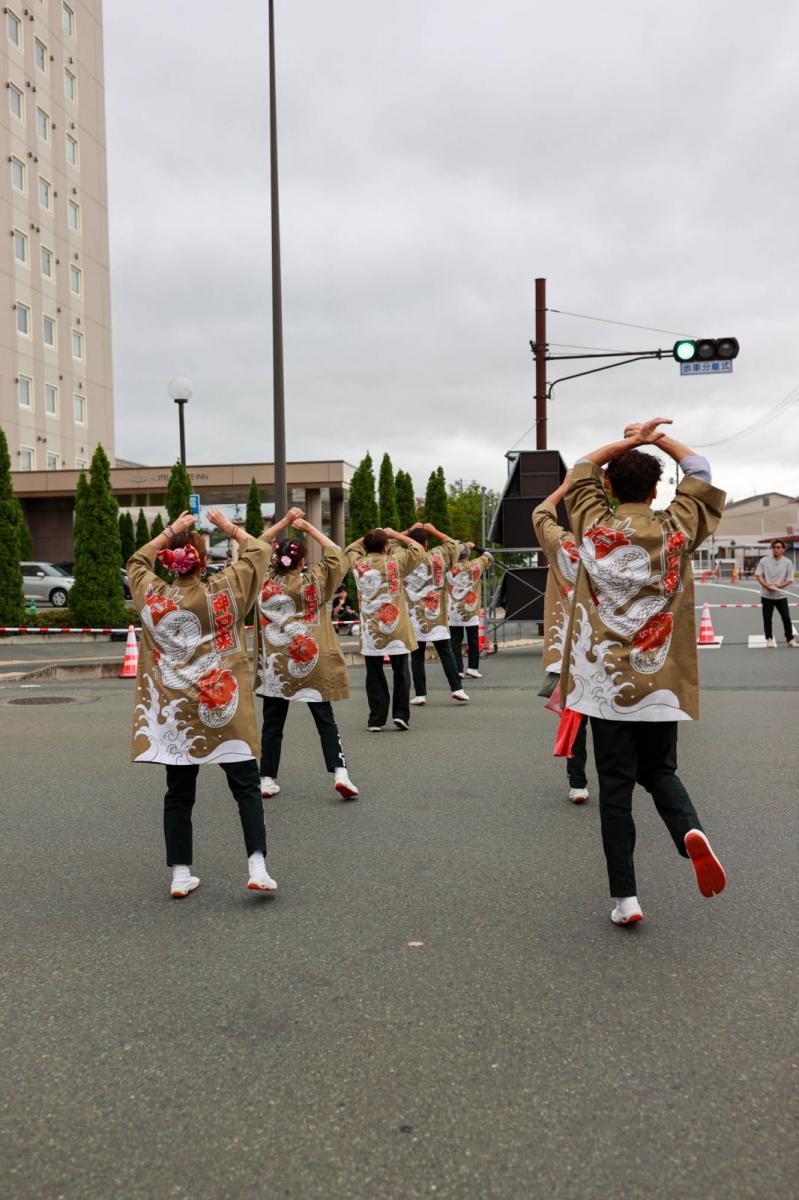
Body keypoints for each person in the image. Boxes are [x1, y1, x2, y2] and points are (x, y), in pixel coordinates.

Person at [561, 418, 728, 926]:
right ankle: (688, 831)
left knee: (615, 789)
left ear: (609, 488)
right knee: (660, 772)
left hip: (607, 685)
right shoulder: (675, 527)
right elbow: (699, 468)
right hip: (660, 683)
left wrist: (629, 442)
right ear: (658, 489)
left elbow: (582, 468)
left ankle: (626, 899)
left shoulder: (593, 524)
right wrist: (659, 441)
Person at [128, 507, 282, 899]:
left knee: (179, 793)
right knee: (246, 787)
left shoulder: (156, 595)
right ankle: (257, 867)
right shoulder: (224, 590)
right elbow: (259, 552)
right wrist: (228, 528)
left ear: (170, 562)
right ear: (201, 559)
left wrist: (170, 530)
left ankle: (181, 874)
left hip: (176, 711)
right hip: (223, 705)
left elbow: (136, 560)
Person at [256, 514, 359, 801]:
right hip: (311, 661)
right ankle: (340, 773)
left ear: (275, 560)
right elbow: (337, 554)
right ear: (302, 562)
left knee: (273, 724)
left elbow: (253, 546)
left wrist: (283, 522)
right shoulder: (314, 582)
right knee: (325, 720)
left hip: (277, 664)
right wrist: (309, 528)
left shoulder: (264, 584)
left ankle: (266, 778)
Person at [532, 474, 590, 804]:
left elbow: (541, 513)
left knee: (576, 716)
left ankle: (578, 781)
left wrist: (565, 484)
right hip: (607, 646)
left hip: (568, 645)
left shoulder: (561, 543)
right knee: (612, 721)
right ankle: (617, 779)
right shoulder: (611, 542)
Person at [345, 527, 424, 731]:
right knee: (401, 672)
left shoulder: (358, 563)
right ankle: (401, 715)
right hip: (396, 626)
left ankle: (376, 718)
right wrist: (398, 534)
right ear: (386, 546)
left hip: (371, 629)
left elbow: (350, 548)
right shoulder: (395, 561)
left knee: (374, 673)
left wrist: (370, 535)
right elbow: (417, 549)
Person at [402, 522, 470, 705]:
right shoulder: (437, 556)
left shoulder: (404, 558)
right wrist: (433, 530)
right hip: (437, 614)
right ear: (426, 543)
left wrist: (407, 532)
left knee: (417, 657)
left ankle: (420, 694)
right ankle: (457, 689)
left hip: (415, 616)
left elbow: (388, 542)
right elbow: (454, 545)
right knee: (446, 652)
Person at [447, 542, 494, 679]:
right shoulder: (475, 565)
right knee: (473, 639)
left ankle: (458, 669)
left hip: (453, 610)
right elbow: (489, 555)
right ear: (468, 554)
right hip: (471, 609)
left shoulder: (449, 568)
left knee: (455, 640)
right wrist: (475, 547)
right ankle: (473, 668)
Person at [754, 540, 798, 648]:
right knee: (767, 618)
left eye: (778, 547)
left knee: (786, 617)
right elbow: (758, 575)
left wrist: (778, 586)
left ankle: (790, 639)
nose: (776, 549)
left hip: (781, 596)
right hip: (766, 595)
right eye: (774, 547)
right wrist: (766, 585)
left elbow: (790, 579)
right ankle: (769, 639)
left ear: (783, 549)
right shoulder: (764, 561)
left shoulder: (788, 562)